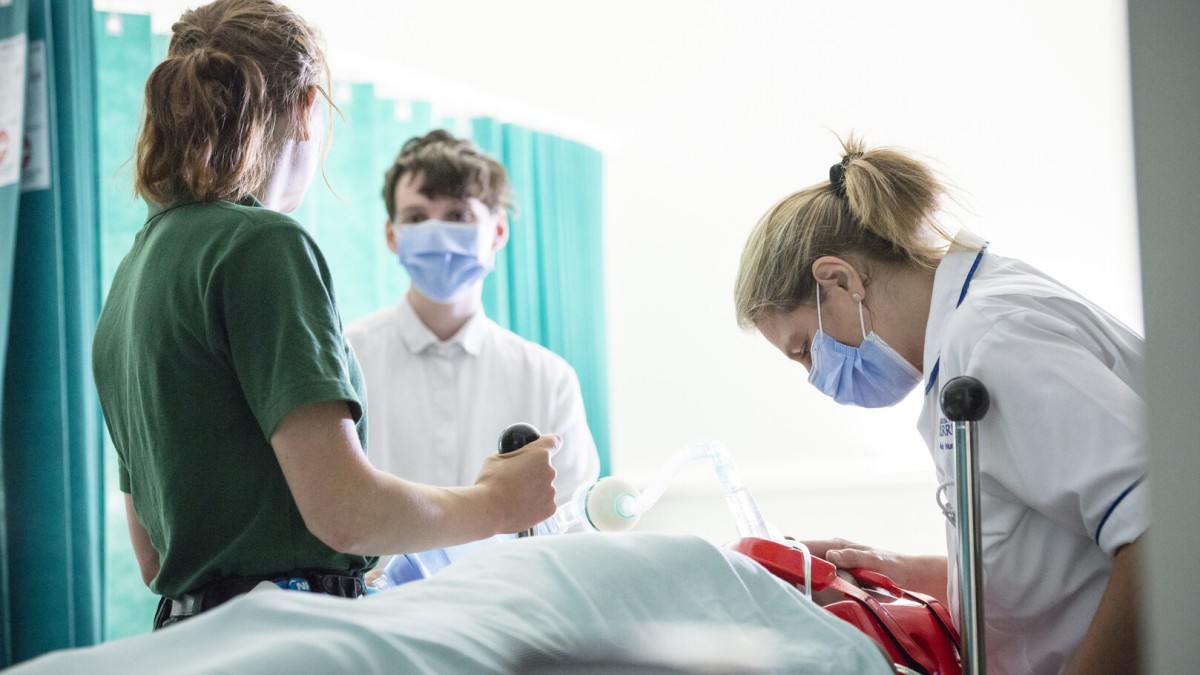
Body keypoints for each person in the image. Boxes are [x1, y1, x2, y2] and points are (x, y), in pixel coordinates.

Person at [90, 0, 558, 631]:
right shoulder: (263, 244)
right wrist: (496, 504)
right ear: (308, 108)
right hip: (289, 636)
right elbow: (346, 512)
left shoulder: (133, 275)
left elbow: (154, 556)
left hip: (192, 637)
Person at [733, 134, 1147, 675]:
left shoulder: (997, 339)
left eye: (806, 349)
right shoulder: (964, 339)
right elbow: (1050, 553)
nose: (816, 377)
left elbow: (1161, 533)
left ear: (839, 280)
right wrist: (904, 571)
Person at [345, 130, 599, 506]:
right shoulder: (346, 360)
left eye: (457, 216)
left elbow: (574, 521)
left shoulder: (547, 378)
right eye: (416, 218)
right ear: (392, 235)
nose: (436, 234)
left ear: (497, 229)